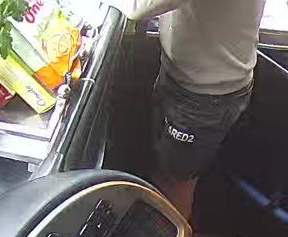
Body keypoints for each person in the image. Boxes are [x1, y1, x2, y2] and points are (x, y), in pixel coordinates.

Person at [102, 0, 267, 220]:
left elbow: (138, 6)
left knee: (174, 184)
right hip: (189, 78)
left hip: (202, 96)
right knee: (166, 171)